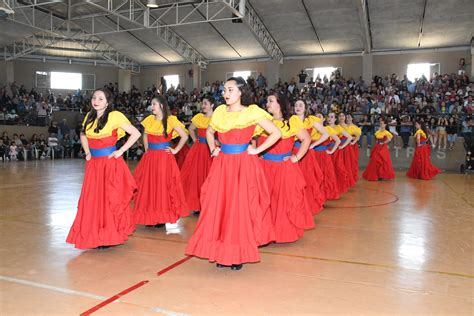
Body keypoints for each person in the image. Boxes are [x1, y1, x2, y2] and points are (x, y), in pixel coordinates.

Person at [185, 77, 281, 270]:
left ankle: (237, 253)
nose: (225, 93)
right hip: (223, 165)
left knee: (239, 208)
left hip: (243, 166)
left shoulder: (251, 112)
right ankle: (222, 250)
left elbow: (276, 133)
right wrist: (213, 150)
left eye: (230, 90)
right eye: (224, 90)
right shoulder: (220, 111)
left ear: (240, 92)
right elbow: (210, 132)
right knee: (220, 205)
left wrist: (256, 151)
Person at [66, 88, 141, 249]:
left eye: (101, 98)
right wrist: (87, 152)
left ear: (108, 102)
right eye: (94, 97)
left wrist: (120, 151)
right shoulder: (89, 116)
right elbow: (83, 134)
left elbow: (135, 133)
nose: (96, 101)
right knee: (94, 199)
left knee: (109, 199)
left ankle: (108, 235)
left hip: (109, 164)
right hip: (94, 165)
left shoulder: (115, 116)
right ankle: (95, 234)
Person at [256, 92, 314, 243]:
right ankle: (265, 233)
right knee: (266, 200)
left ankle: (282, 233)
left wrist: (296, 157)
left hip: (284, 167)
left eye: (270, 101)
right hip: (265, 167)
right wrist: (258, 153)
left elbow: (306, 139)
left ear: (279, 103)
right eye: (267, 101)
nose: (267, 104)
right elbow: (254, 139)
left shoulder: (292, 121)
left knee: (283, 201)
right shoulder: (264, 121)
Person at [133, 96, 189, 227]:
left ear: (162, 106)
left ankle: (161, 216)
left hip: (164, 158)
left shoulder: (170, 120)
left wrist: (175, 150)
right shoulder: (149, 120)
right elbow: (145, 135)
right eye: (151, 104)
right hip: (151, 157)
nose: (151, 107)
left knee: (162, 186)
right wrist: (146, 149)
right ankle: (150, 215)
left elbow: (184, 136)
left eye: (154, 104)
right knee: (149, 186)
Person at [180, 95, 214, 214]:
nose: (203, 106)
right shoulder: (199, 117)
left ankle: (209, 204)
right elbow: (190, 129)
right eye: (202, 103)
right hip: (199, 149)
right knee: (197, 176)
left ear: (212, 105)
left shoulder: (217, 118)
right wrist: (195, 139)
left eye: (205, 103)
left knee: (209, 175)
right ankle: (197, 204)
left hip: (211, 150)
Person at [293, 99, 328, 213]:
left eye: (301, 105)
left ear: (305, 108)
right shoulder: (291, 121)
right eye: (296, 105)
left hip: (306, 154)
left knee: (307, 180)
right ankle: (297, 206)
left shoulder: (310, 120)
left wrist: (312, 145)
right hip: (293, 152)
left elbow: (326, 134)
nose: (298, 107)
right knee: (294, 181)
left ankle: (307, 206)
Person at [315, 113, 341, 200]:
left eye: (320, 117)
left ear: (323, 119)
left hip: (323, 155)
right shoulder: (312, 129)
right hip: (313, 155)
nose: (318, 118)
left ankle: (326, 194)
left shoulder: (328, 129)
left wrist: (331, 151)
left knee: (326, 175)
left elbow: (338, 141)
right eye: (316, 116)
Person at [362, 117, 395, 181]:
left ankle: (381, 175)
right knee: (375, 160)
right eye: (380, 123)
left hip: (383, 148)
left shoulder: (387, 132)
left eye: (382, 124)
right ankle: (377, 174)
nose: (381, 125)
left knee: (383, 160)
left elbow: (389, 139)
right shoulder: (378, 132)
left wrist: (384, 142)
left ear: (385, 125)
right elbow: (376, 139)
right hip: (377, 147)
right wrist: (378, 143)